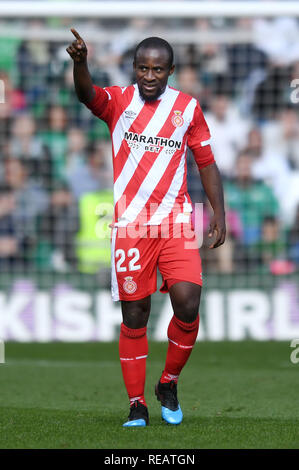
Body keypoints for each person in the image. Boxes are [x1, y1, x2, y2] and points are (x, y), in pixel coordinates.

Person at [67, 29, 226, 427]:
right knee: (135, 314)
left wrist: (217, 212)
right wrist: (80, 63)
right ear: (133, 68)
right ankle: (137, 403)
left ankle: (168, 382)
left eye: (157, 68)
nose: (149, 75)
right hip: (132, 224)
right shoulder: (119, 102)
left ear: (171, 70)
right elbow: (87, 95)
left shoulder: (187, 108)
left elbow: (205, 162)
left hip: (176, 222)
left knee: (188, 303)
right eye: (142, 67)